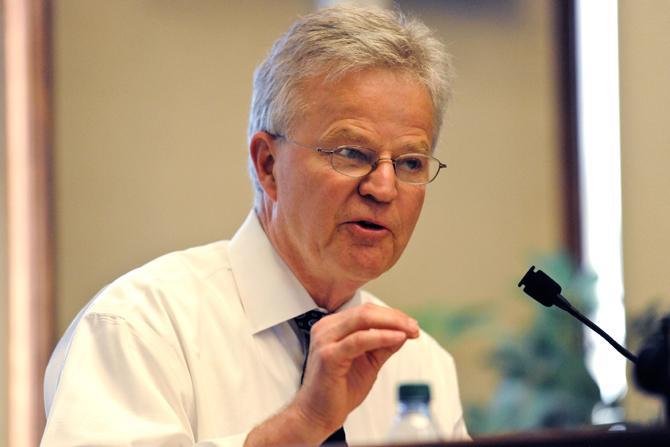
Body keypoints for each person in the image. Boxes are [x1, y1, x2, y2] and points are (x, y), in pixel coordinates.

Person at [41, 5, 469, 446]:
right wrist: (300, 427)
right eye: (351, 153)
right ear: (268, 165)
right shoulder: (141, 326)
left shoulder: (419, 364)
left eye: (411, 163)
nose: (383, 187)